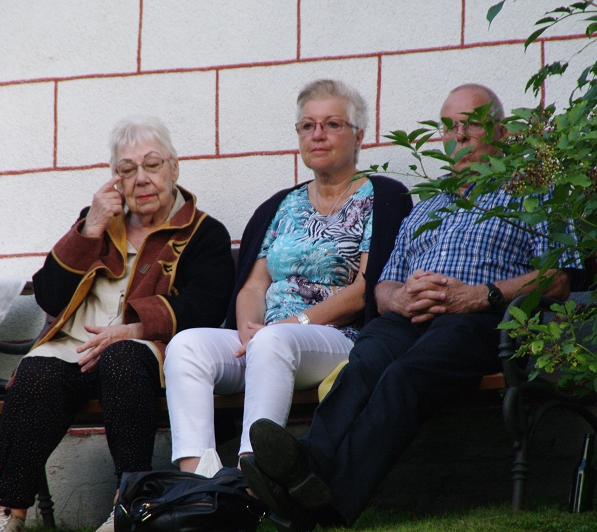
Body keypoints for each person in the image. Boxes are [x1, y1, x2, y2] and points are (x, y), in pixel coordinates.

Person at [241, 83, 580, 532]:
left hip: (481, 319)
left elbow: (559, 277)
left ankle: (328, 504)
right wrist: (397, 297)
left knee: (405, 375)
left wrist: (481, 295)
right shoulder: (427, 207)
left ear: (500, 130)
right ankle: (308, 465)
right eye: (448, 126)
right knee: (364, 364)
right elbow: (382, 286)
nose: (458, 135)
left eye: (471, 124)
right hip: (407, 318)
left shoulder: (535, 194)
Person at [0, 116, 235, 532]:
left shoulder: (203, 232)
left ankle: (126, 503)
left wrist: (133, 329)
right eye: (127, 170)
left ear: (174, 168)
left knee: (123, 361)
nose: (142, 179)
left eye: (152, 165)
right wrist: (89, 228)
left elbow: (204, 307)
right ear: (115, 179)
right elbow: (49, 295)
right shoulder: (97, 221)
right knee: (36, 372)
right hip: (74, 348)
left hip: (145, 346)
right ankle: (11, 514)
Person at [163, 79, 412, 473]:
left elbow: (366, 288)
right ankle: (199, 482)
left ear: (359, 135)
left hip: (337, 337)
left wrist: (289, 325)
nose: (318, 135)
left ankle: (254, 476)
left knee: (274, 341)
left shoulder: (381, 197)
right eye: (308, 126)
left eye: (332, 124)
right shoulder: (283, 205)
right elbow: (254, 284)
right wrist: (249, 329)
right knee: (186, 346)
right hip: (267, 340)